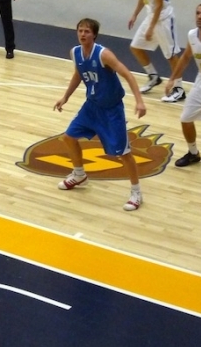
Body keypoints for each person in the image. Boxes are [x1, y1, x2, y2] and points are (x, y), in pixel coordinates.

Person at [53, 18, 147, 211]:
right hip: (91, 107)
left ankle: (136, 192)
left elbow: (128, 75)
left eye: (87, 31)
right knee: (69, 137)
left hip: (112, 110)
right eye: (80, 30)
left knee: (124, 153)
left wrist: (139, 100)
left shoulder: (104, 54)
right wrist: (65, 97)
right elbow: (79, 74)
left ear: (94, 35)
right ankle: (79, 174)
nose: (82, 34)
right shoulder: (75, 52)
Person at [164, 3, 201, 168]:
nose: (200, 16)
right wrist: (172, 79)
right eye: (198, 13)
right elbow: (186, 57)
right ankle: (193, 153)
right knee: (185, 119)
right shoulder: (192, 35)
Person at [128, 0, 185, 102]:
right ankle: (153, 76)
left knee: (170, 55)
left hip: (164, 18)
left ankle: (179, 89)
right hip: (152, 16)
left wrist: (151, 28)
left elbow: (159, 5)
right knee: (135, 47)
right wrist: (135, 14)